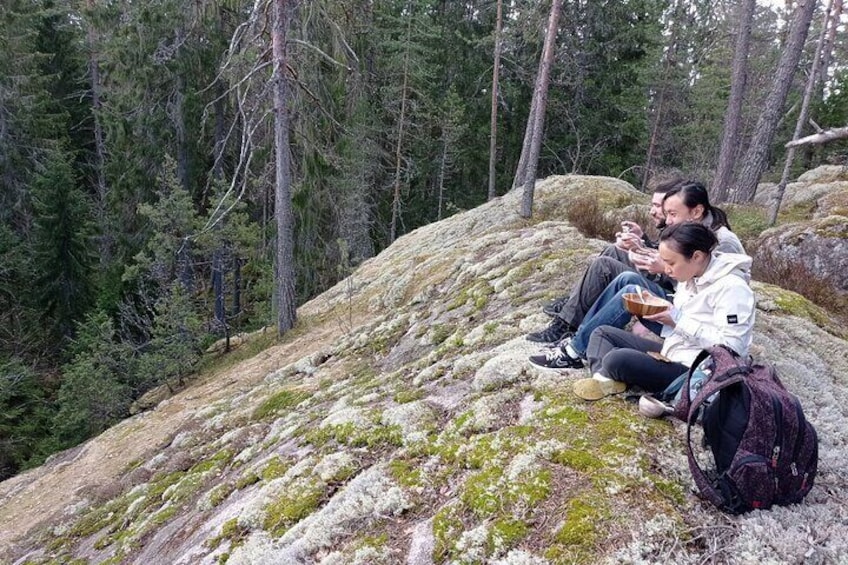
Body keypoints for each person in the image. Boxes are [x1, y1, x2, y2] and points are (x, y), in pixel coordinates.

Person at [528, 179, 748, 371]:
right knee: (612, 258)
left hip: (688, 321)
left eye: (672, 213)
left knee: (627, 283)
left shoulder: (723, 244)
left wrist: (662, 271)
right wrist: (642, 245)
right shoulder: (689, 229)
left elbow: (704, 283)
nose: (667, 219)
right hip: (682, 309)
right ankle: (574, 330)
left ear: (696, 211)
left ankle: (573, 345)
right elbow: (682, 268)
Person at [567, 222, 755, 401]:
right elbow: (682, 323)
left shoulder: (732, 288)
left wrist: (677, 319)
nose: (666, 269)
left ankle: (607, 374)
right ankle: (605, 380)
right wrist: (658, 314)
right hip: (673, 351)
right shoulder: (691, 275)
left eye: (671, 263)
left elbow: (733, 349)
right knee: (601, 333)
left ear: (697, 256)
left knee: (617, 359)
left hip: (695, 371)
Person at [527, 180, 676, 343]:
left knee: (604, 266)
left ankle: (567, 325)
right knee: (615, 250)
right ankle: (573, 304)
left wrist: (661, 265)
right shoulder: (678, 223)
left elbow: (680, 274)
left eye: (657, 206)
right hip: (664, 280)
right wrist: (642, 240)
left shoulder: (698, 235)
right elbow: (664, 253)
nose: (652, 212)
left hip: (668, 294)